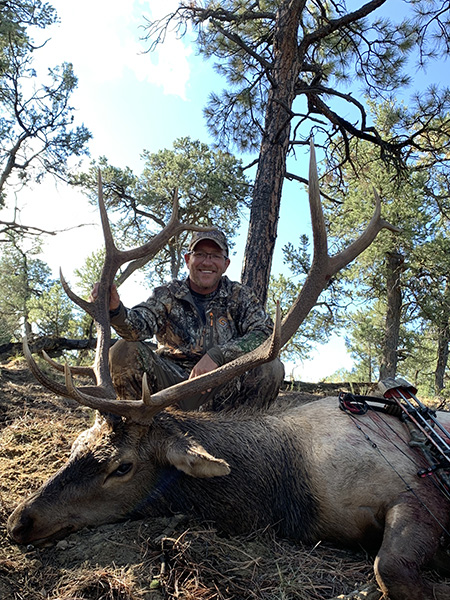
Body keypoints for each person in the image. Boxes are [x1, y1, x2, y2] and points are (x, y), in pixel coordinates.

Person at [94, 228, 284, 411]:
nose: (207, 262)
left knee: (271, 367)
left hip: (224, 386)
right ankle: (135, 428)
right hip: (171, 387)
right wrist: (116, 310)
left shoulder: (240, 296)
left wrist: (218, 355)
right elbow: (138, 326)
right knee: (123, 350)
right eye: (200, 254)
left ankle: (243, 436)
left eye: (215, 256)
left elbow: (266, 334)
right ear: (187, 259)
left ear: (226, 264)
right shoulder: (167, 294)